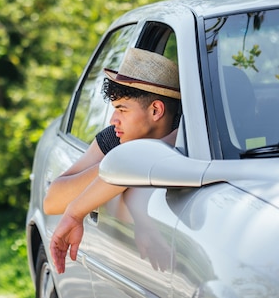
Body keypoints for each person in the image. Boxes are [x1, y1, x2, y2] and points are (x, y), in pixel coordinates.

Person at [45, 47, 181, 274]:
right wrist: (116, 165)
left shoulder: (189, 133)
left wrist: (78, 209)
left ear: (156, 110)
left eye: (122, 109)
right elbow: (52, 201)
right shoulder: (116, 138)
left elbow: (147, 155)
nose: (113, 119)